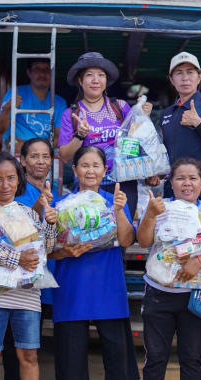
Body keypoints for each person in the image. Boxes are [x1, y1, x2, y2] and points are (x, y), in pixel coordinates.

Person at [137, 157, 201, 380]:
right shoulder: (160, 207)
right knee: (155, 358)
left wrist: (198, 262)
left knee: (191, 360)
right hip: (158, 294)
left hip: (194, 298)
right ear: (171, 183)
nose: (186, 183)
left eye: (193, 178)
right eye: (180, 178)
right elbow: (143, 241)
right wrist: (151, 214)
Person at [49, 146, 140, 380]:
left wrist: (119, 211)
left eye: (96, 165)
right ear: (75, 170)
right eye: (85, 165)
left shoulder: (114, 202)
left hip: (108, 287)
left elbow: (127, 239)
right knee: (71, 363)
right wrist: (65, 252)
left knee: (118, 360)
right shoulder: (60, 206)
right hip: (72, 289)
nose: (90, 171)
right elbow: (47, 252)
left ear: (105, 170)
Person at [0, 152, 57, 380]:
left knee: (29, 356)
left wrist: (49, 224)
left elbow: (44, 250)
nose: (5, 185)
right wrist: (16, 259)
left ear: (19, 180)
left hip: (26, 295)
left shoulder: (28, 213)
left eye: (10, 178)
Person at [58, 52, 150, 217]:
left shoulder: (120, 107)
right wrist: (79, 136)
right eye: (89, 75)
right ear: (80, 80)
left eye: (101, 75)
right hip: (89, 184)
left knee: (124, 234)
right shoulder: (71, 114)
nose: (96, 80)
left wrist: (143, 118)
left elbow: (135, 142)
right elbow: (64, 156)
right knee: (91, 232)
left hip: (123, 182)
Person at [1, 138, 57, 380]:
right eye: (34, 156)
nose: (41, 161)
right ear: (22, 161)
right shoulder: (15, 190)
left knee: (30, 350)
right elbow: (18, 233)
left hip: (38, 280)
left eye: (46, 156)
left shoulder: (49, 188)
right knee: (13, 347)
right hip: (15, 281)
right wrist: (41, 204)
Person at [145, 52, 201, 206]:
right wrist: (158, 173)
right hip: (174, 191)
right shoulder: (167, 113)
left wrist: (198, 123)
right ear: (172, 80)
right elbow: (169, 153)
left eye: (190, 72)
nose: (185, 78)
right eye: (179, 73)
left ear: (199, 76)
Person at [0, 58, 67, 153]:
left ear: (53, 74)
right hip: (15, 150)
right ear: (29, 73)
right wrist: (7, 107)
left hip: (44, 152)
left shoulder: (59, 102)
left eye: (47, 69)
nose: (42, 73)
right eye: (37, 68)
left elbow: (59, 138)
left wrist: (29, 147)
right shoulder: (15, 93)